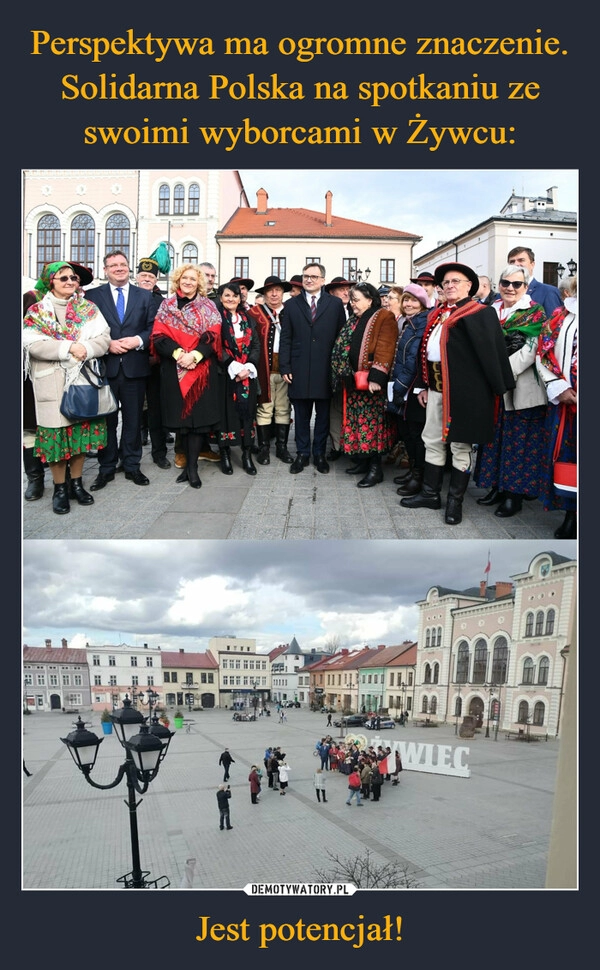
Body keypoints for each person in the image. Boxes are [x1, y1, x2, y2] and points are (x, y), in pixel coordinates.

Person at [400, 263, 515, 525]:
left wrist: (496, 389)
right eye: (446, 282)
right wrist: (423, 384)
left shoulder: (479, 313)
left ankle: (455, 502)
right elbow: (425, 352)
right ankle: (430, 494)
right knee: (431, 439)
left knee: (460, 445)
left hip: (465, 394)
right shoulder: (436, 314)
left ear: (469, 286)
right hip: (435, 389)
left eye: (456, 281)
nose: (450, 285)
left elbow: (491, 355)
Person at [23, 262, 111, 514]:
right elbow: (32, 343)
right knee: (57, 442)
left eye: (74, 278)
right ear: (51, 281)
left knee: (80, 439)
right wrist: (68, 348)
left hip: (82, 381)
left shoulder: (88, 309)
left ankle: (77, 484)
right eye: (63, 278)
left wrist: (87, 349)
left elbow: (104, 338)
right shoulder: (37, 311)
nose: (71, 281)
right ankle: (60, 489)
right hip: (51, 383)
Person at [473, 264, 548, 518]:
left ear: (526, 287)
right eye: (506, 283)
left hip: (520, 389)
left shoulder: (535, 313)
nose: (510, 288)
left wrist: (500, 375)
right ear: (499, 285)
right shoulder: (489, 311)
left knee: (517, 444)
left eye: (517, 284)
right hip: (492, 388)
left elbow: (531, 350)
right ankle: (496, 486)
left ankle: (513, 497)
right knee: (493, 440)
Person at [84, 251, 158, 490]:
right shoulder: (92, 297)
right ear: (105, 270)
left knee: (133, 420)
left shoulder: (145, 296)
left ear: (129, 268)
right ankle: (106, 468)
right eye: (113, 265)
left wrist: (137, 340)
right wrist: (107, 345)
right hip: (105, 369)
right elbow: (86, 331)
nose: (119, 268)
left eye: (123, 264)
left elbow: (153, 329)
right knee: (107, 422)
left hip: (135, 368)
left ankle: (132, 465)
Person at [151, 264, 223, 489]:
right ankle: (187, 464)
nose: (188, 282)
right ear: (178, 280)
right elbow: (158, 335)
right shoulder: (167, 305)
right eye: (185, 278)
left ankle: (192, 469)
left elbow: (214, 335)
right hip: (174, 368)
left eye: (193, 278)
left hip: (201, 370)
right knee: (182, 421)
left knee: (197, 422)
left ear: (199, 282)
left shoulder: (208, 306)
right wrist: (178, 353)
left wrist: (195, 355)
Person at [279, 262, 346, 474]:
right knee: (301, 415)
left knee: (323, 416)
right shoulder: (291, 305)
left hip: (325, 370)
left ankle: (319, 454)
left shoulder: (335, 305)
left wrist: (338, 369)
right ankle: (302, 454)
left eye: (314, 277)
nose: (309, 279)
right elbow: (286, 339)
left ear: (323, 280)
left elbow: (341, 339)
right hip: (298, 369)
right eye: (306, 276)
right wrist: (285, 367)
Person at [330, 281, 398, 488]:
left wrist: (377, 377)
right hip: (353, 382)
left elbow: (386, 346)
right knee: (358, 424)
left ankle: (375, 469)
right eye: (351, 300)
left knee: (372, 426)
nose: (352, 304)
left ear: (370, 299)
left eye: (356, 300)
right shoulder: (354, 319)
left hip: (370, 384)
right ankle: (363, 461)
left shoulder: (383, 317)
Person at [536, 275, 577, 538]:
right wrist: (558, 386)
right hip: (568, 403)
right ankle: (572, 514)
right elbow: (544, 353)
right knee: (569, 461)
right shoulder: (560, 317)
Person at [387, 283, 431, 498]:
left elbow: (413, 359)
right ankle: (414, 471)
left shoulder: (422, 324)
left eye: (413, 300)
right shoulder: (408, 323)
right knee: (407, 432)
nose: (409, 304)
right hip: (404, 385)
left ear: (422, 303)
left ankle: (418, 476)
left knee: (415, 434)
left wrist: (399, 386)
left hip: (413, 387)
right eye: (406, 300)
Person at [248, 275, 294, 465]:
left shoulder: (291, 312)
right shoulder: (254, 313)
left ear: (283, 293)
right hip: (262, 368)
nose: (274, 294)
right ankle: (264, 448)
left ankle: (282, 448)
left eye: (278, 290)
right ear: (264, 293)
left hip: (285, 369)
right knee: (264, 408)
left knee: (283, 408)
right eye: (270, 291)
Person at [216, 281, 260, 476]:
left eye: (235, 295)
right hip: (225, 375)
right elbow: (214, 345)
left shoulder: (248, 318)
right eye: (227, 295)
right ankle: (225, 454)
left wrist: (249, 366)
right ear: (220, 298)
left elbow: (256, 345)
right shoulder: (216, 319)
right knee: (226, 414)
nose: (231, 299)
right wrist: (231, 365)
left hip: (247, 375)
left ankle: (247, 454)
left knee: (248, 415)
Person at [135, 246, 172, 471]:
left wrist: (157, 356)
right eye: (144, 276)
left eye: (151, 276)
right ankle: (130, 454)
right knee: (133, 411)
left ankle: (159, 453)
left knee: (157, 411)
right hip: (132, 362)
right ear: (137, 277)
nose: (147, 279)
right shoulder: (128, 297)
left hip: (156, 364)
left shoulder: (162, 302)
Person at [323, 275, 354, 461]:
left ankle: (351, 443)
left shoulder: (356, 310)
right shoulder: (327, 310)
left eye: (348, 289)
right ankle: (336, 446)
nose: (346, 292)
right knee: (334, 409)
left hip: (353, 370)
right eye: (341, 289)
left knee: (351, 409)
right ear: (332, 292)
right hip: (332, 369)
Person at [507, 246, 563, 318]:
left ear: (532, 264)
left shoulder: (548, 292)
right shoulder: (501, 296)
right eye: (512, 262)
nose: (516, 264)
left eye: (521, 260)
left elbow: (554, 324)